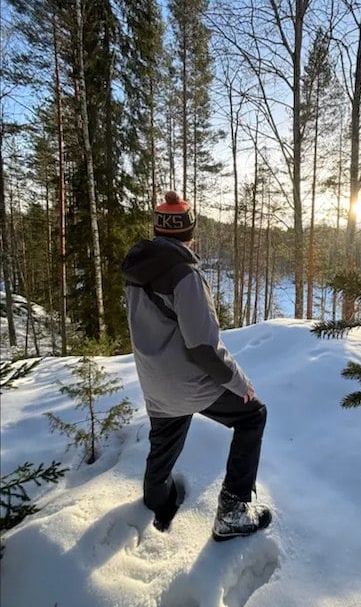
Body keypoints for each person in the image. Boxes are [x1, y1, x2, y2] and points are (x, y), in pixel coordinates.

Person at [122, 191, 271, 540]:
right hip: (188, 383)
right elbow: (204, 347)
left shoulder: (137, 269)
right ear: (191, 233)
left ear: (158, 231)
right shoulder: (184, 274)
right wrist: (240, 383)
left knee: (163, 445)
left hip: (154, 382)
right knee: (253, 416)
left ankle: (157, 503)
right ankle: (231, 513)